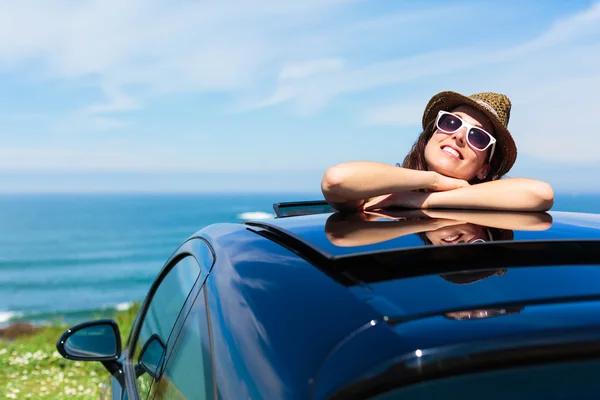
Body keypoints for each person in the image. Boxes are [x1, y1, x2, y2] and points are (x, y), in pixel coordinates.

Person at [321, 91, 555, 212]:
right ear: (431, 135)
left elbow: (540, 194)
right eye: (452, 123)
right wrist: (434, 181)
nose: (459, 136)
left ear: (485, 168)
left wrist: (418, 201)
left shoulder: (496, 202)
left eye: (478, 136)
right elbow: (337, 180)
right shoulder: (380, 187)